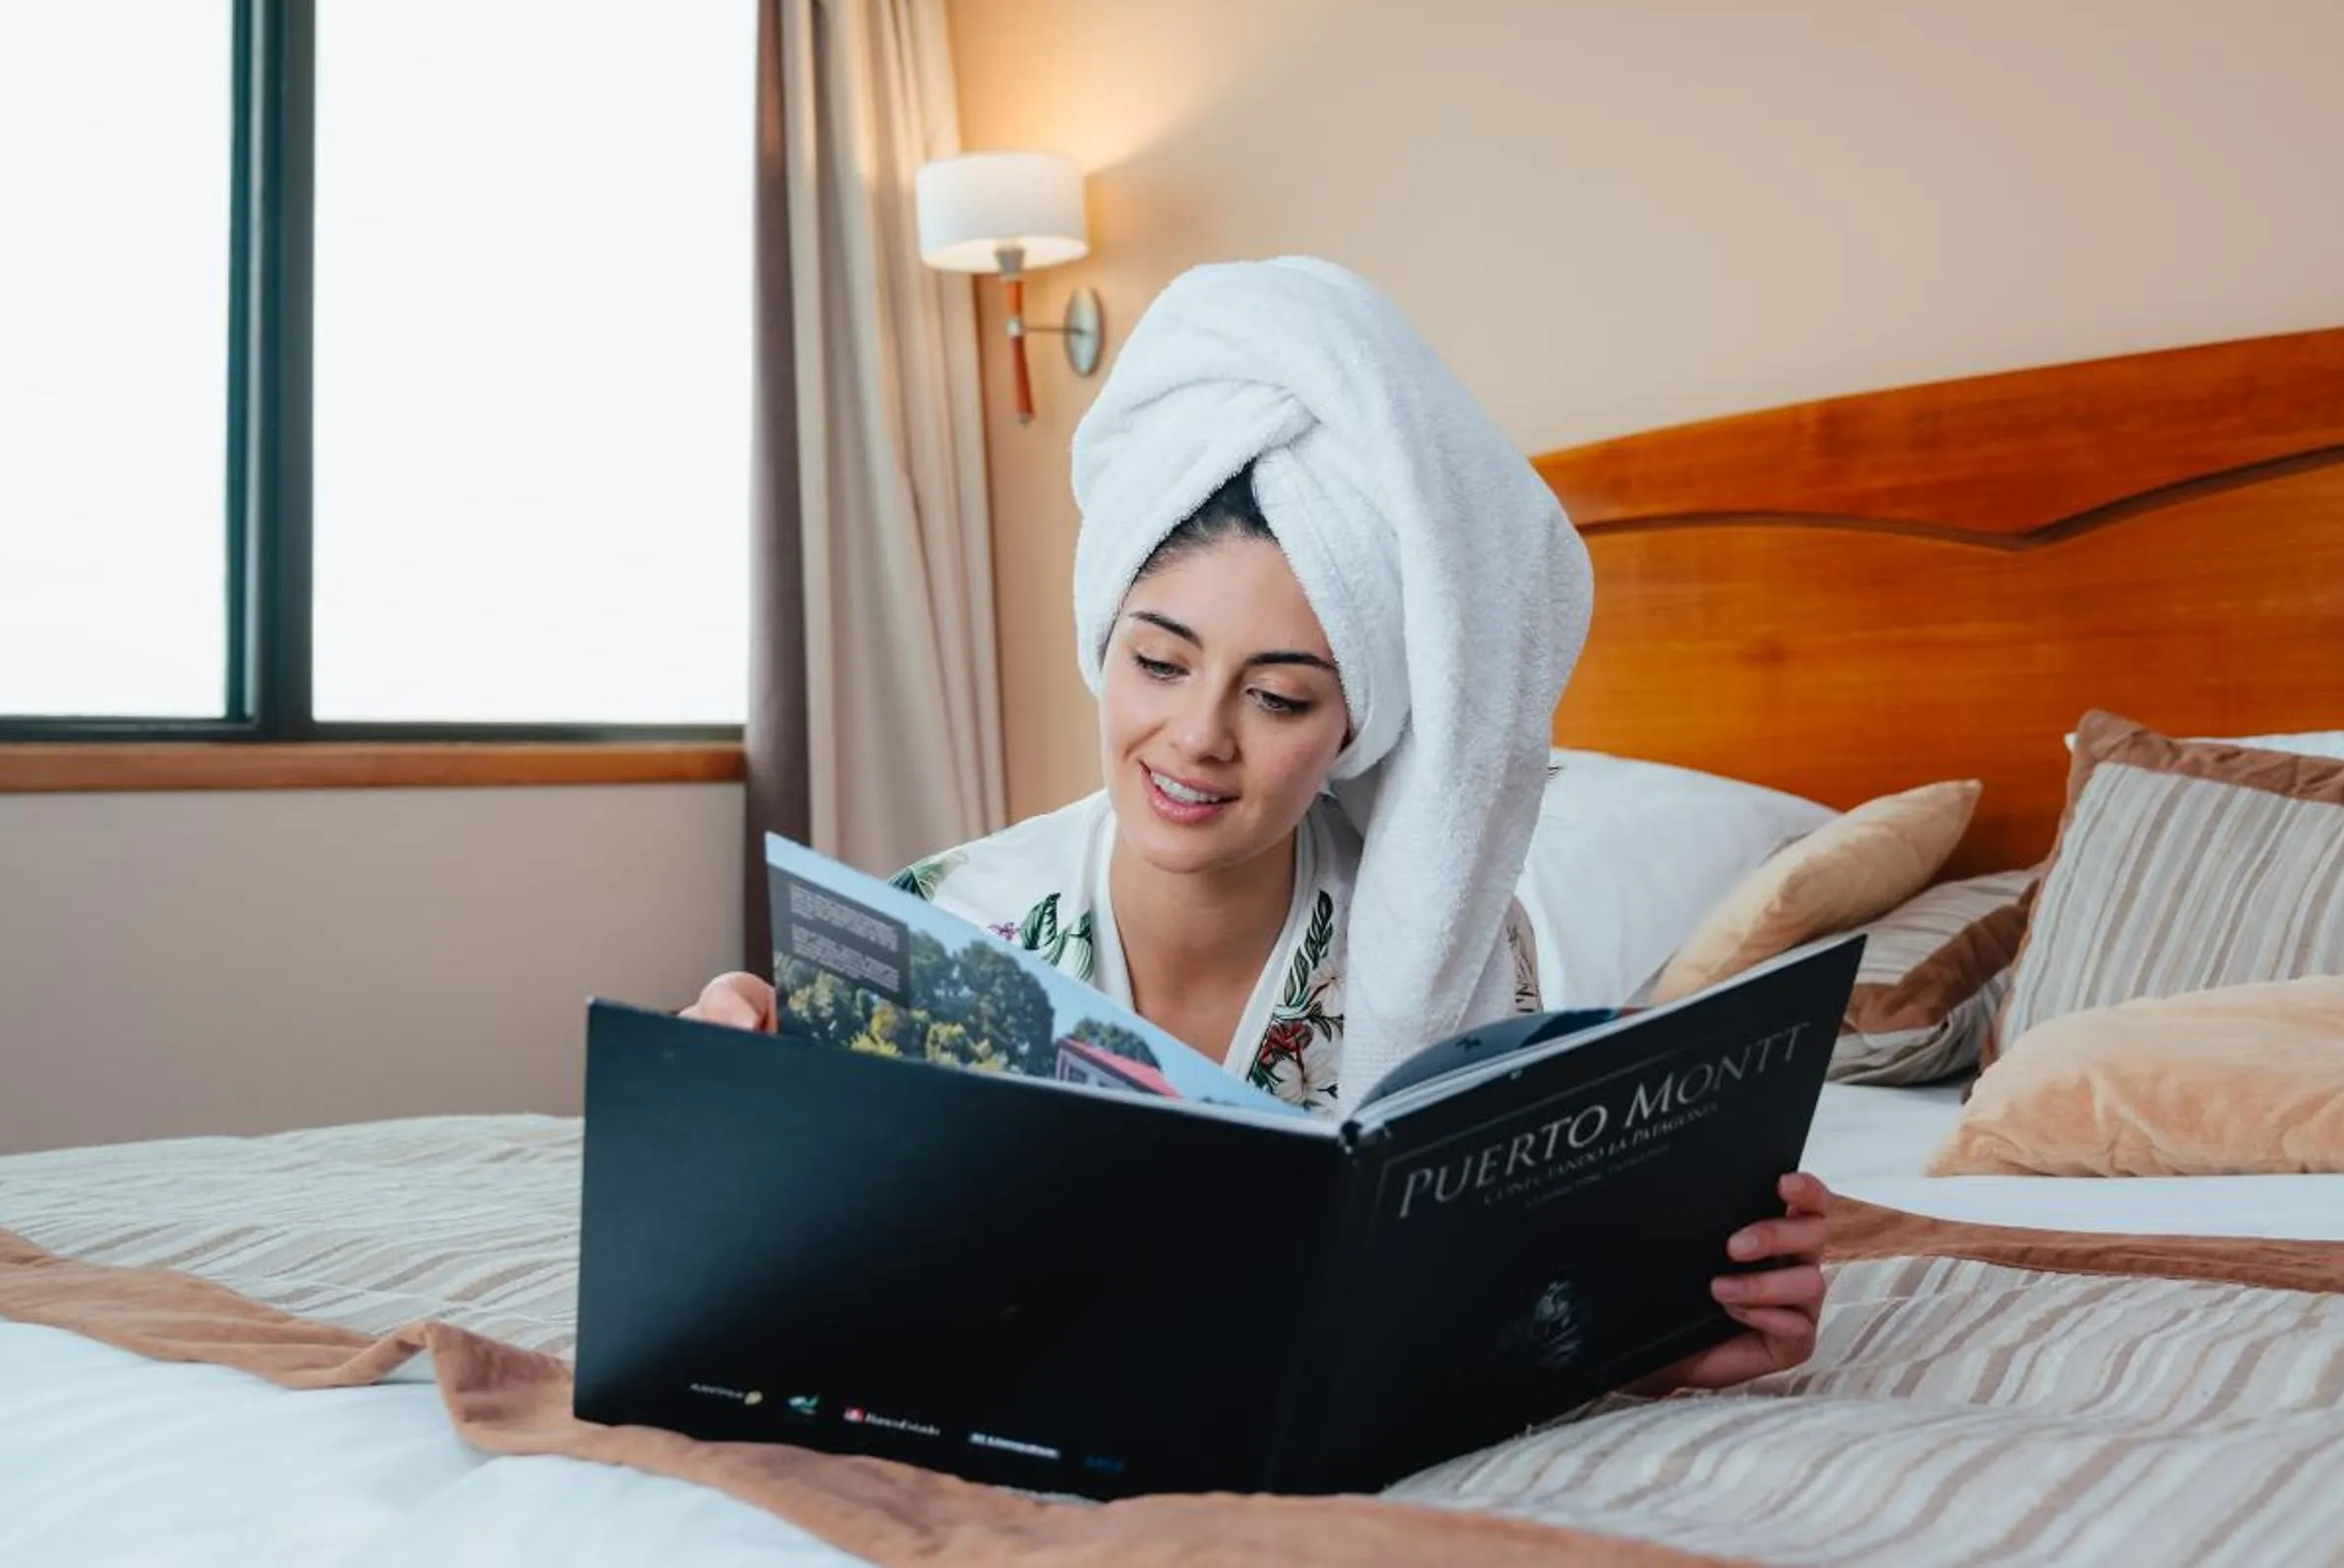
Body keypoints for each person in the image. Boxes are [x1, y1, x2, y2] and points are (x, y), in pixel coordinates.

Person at [689, 258, 1831, 1390]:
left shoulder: (1457, 979)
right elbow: (795, 1266)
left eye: (1279, 696)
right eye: (1158, 662)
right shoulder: (942, 924)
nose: (1197, 735)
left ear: (1353, 723)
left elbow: (1499, 1294)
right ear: (1104, 647)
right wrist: (727, 1101)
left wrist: (1660, 1342)